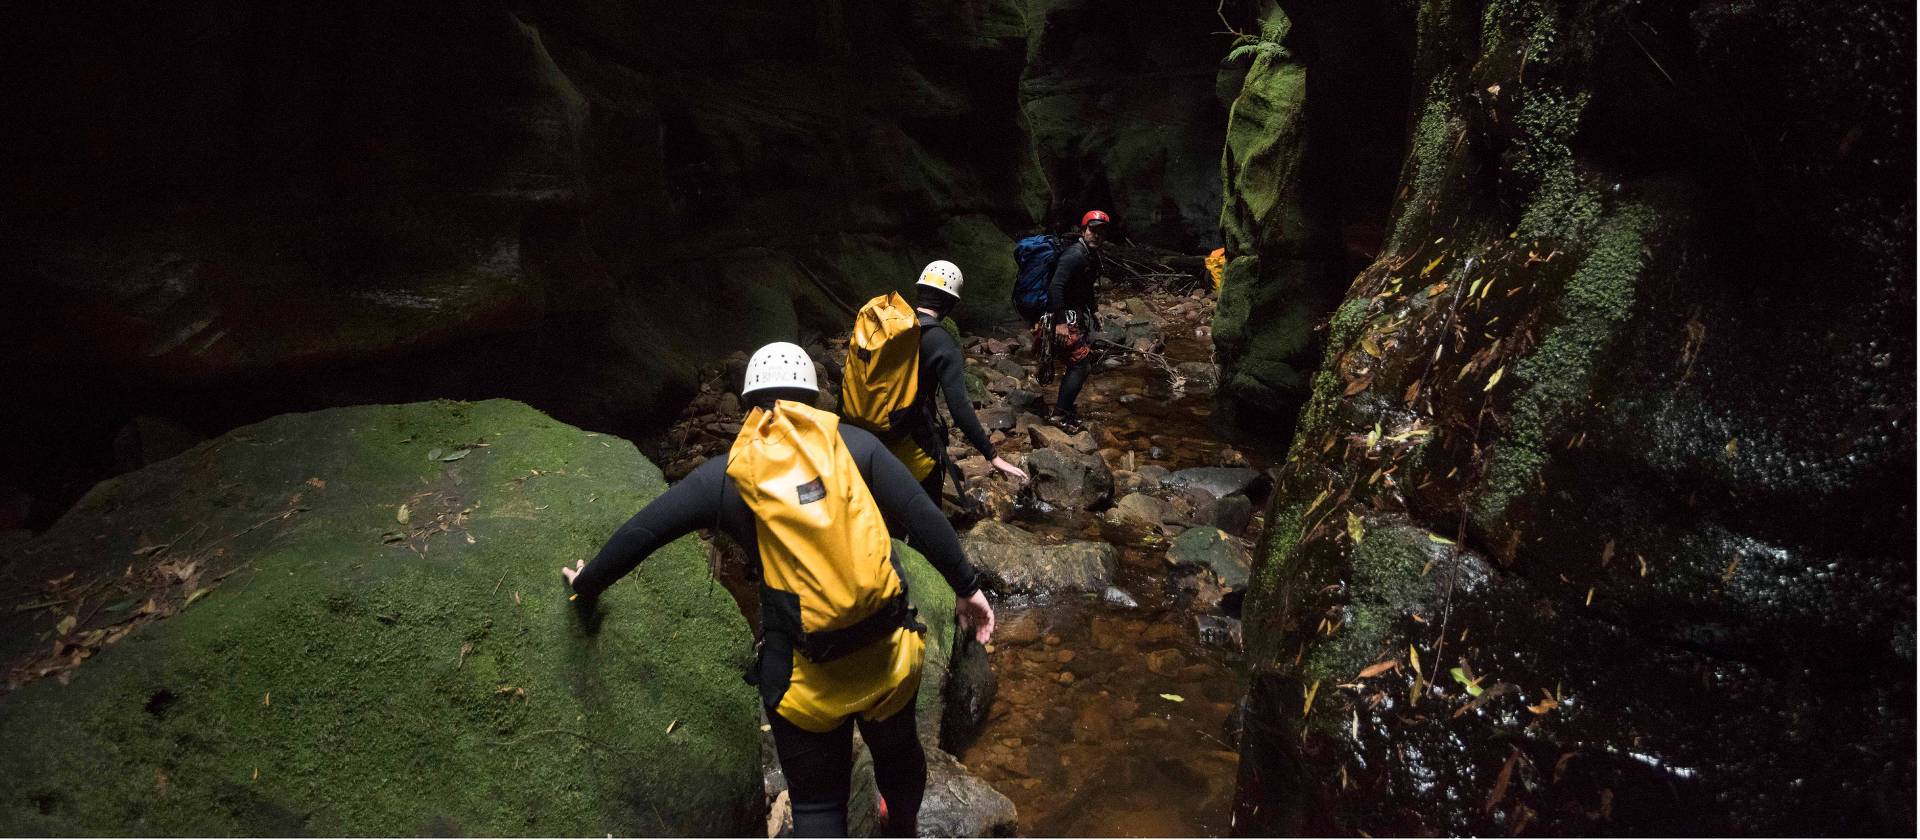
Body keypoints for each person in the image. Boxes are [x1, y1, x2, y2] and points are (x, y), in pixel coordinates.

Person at [560, 342, 995, 838]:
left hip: (803, 675)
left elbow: (644, 532)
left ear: (749, 402)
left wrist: (587, 584)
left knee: (818, 803)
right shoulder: (856, 446)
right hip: (885, 658)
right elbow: (922, 515)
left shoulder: (729, 474)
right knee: (899, 753)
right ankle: (901, 823)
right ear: (811, 396)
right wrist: (968, 588)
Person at [897, 260, 1028, 502]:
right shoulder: (941, 342)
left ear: (919, 291)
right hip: (913, 439)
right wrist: (992, 455)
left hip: (875, 432)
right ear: (951, 303)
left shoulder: (894, 327)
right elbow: (959, 408)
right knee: (926, 512)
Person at [1047, 210, 1110, 429]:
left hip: (1074, 314)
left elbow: (1085, 287)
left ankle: (1064, 409)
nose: (1097, 235)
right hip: (1063, 316)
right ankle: (1059, 415)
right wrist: (1060, 323)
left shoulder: (1090, 255)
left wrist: (1094, 310)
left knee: (1077, 364)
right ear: (1083, 230)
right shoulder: (1074, 255)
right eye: (1092, 230)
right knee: (1080, 365)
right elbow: (1055, 287)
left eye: (1101, 232)